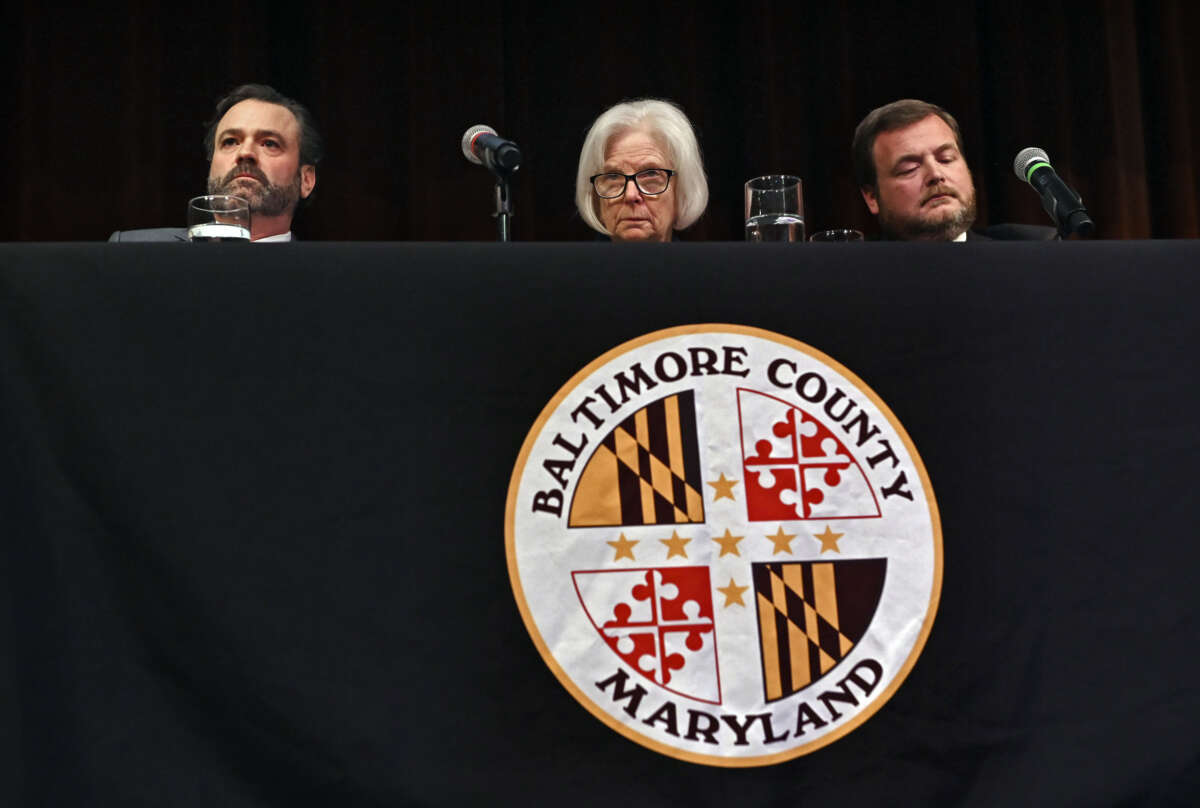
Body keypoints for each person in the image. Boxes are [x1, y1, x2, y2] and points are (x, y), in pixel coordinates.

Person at [109, 84, 322, 242]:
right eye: (230, 141)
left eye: (269, 144)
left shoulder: (327, 275)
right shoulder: (133, 250)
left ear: (306, 180)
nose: (245, 152)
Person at [575, 99, 708, 242]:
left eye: (651, 174)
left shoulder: (707, 265)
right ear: (595, 199)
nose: (630, 195)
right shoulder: (567, 265)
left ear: (682, 192)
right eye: (613, 177)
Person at [852, 99, 982, 241]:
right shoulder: (853, 262)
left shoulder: (1008, 254)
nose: (936, 174)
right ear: (872, 197)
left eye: (946, 159)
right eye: (909, 169)